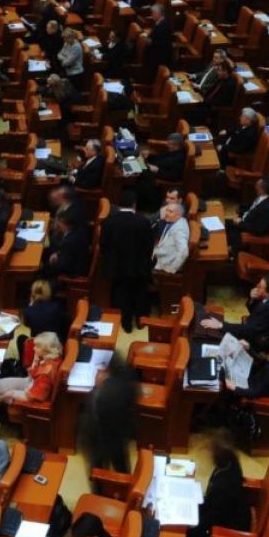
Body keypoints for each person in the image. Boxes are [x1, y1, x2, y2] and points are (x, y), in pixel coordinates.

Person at [0, 331, 62, 431]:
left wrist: (11, 393)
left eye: (37, 347)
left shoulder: (45, 374)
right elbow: (33, 375)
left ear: (46, 350)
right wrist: (35, 361)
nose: (34, 348)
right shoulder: (52, 357)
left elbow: (36, 396)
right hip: (30, 382)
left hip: (31, 394)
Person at [101, 190, 154, 332]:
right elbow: (149, 246)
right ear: (134, 204)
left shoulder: (108, 222)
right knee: (140, 293)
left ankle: (125, 324)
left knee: (121, 294)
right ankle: (141, 321)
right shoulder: (143, 222)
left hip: (117, 267)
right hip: (139, 266)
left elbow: (104, 245)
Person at [187, 432, 251, 537]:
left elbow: (212, 518)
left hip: (228, 529)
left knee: (187, 534)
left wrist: (190, 524)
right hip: (223, 513)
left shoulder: (224, 485)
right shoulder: (230, 463)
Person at [79, 353, 137, 472]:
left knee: (99, 468)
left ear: (106, 371)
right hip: (119, 434)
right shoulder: (127, 379)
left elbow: (96, 417)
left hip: (102, 436)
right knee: (121, 464)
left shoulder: (105, 395)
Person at [198, 275, 269, 352]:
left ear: (268, 293)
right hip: (252, 329)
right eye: (259, 283)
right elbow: (255, 313)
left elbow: (248, 330)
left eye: (260, 286)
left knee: (215, 336)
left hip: (257, 343)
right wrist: (252, 299)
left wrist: (221, 325)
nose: (257, 286)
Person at [226, 177, 269, 251]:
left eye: (257, 185)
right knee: (224, 224)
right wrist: (240, 212)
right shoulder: (264, 196)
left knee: (225, 231)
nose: (255, 186)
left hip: (247, 227)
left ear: (262, 189)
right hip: (245, 219)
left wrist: (240, 223)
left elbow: (259, 230)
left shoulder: (267, 208)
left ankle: (233, 250)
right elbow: (252, 207)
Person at [154, 202, 190, 275]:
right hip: (160, 255)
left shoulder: (180, 230)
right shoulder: (173, 222)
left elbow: (184, 252)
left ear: (179, 214)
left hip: (164, 264)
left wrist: (171, 269)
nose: (166, 213)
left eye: (170, 211)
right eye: (166, 210)